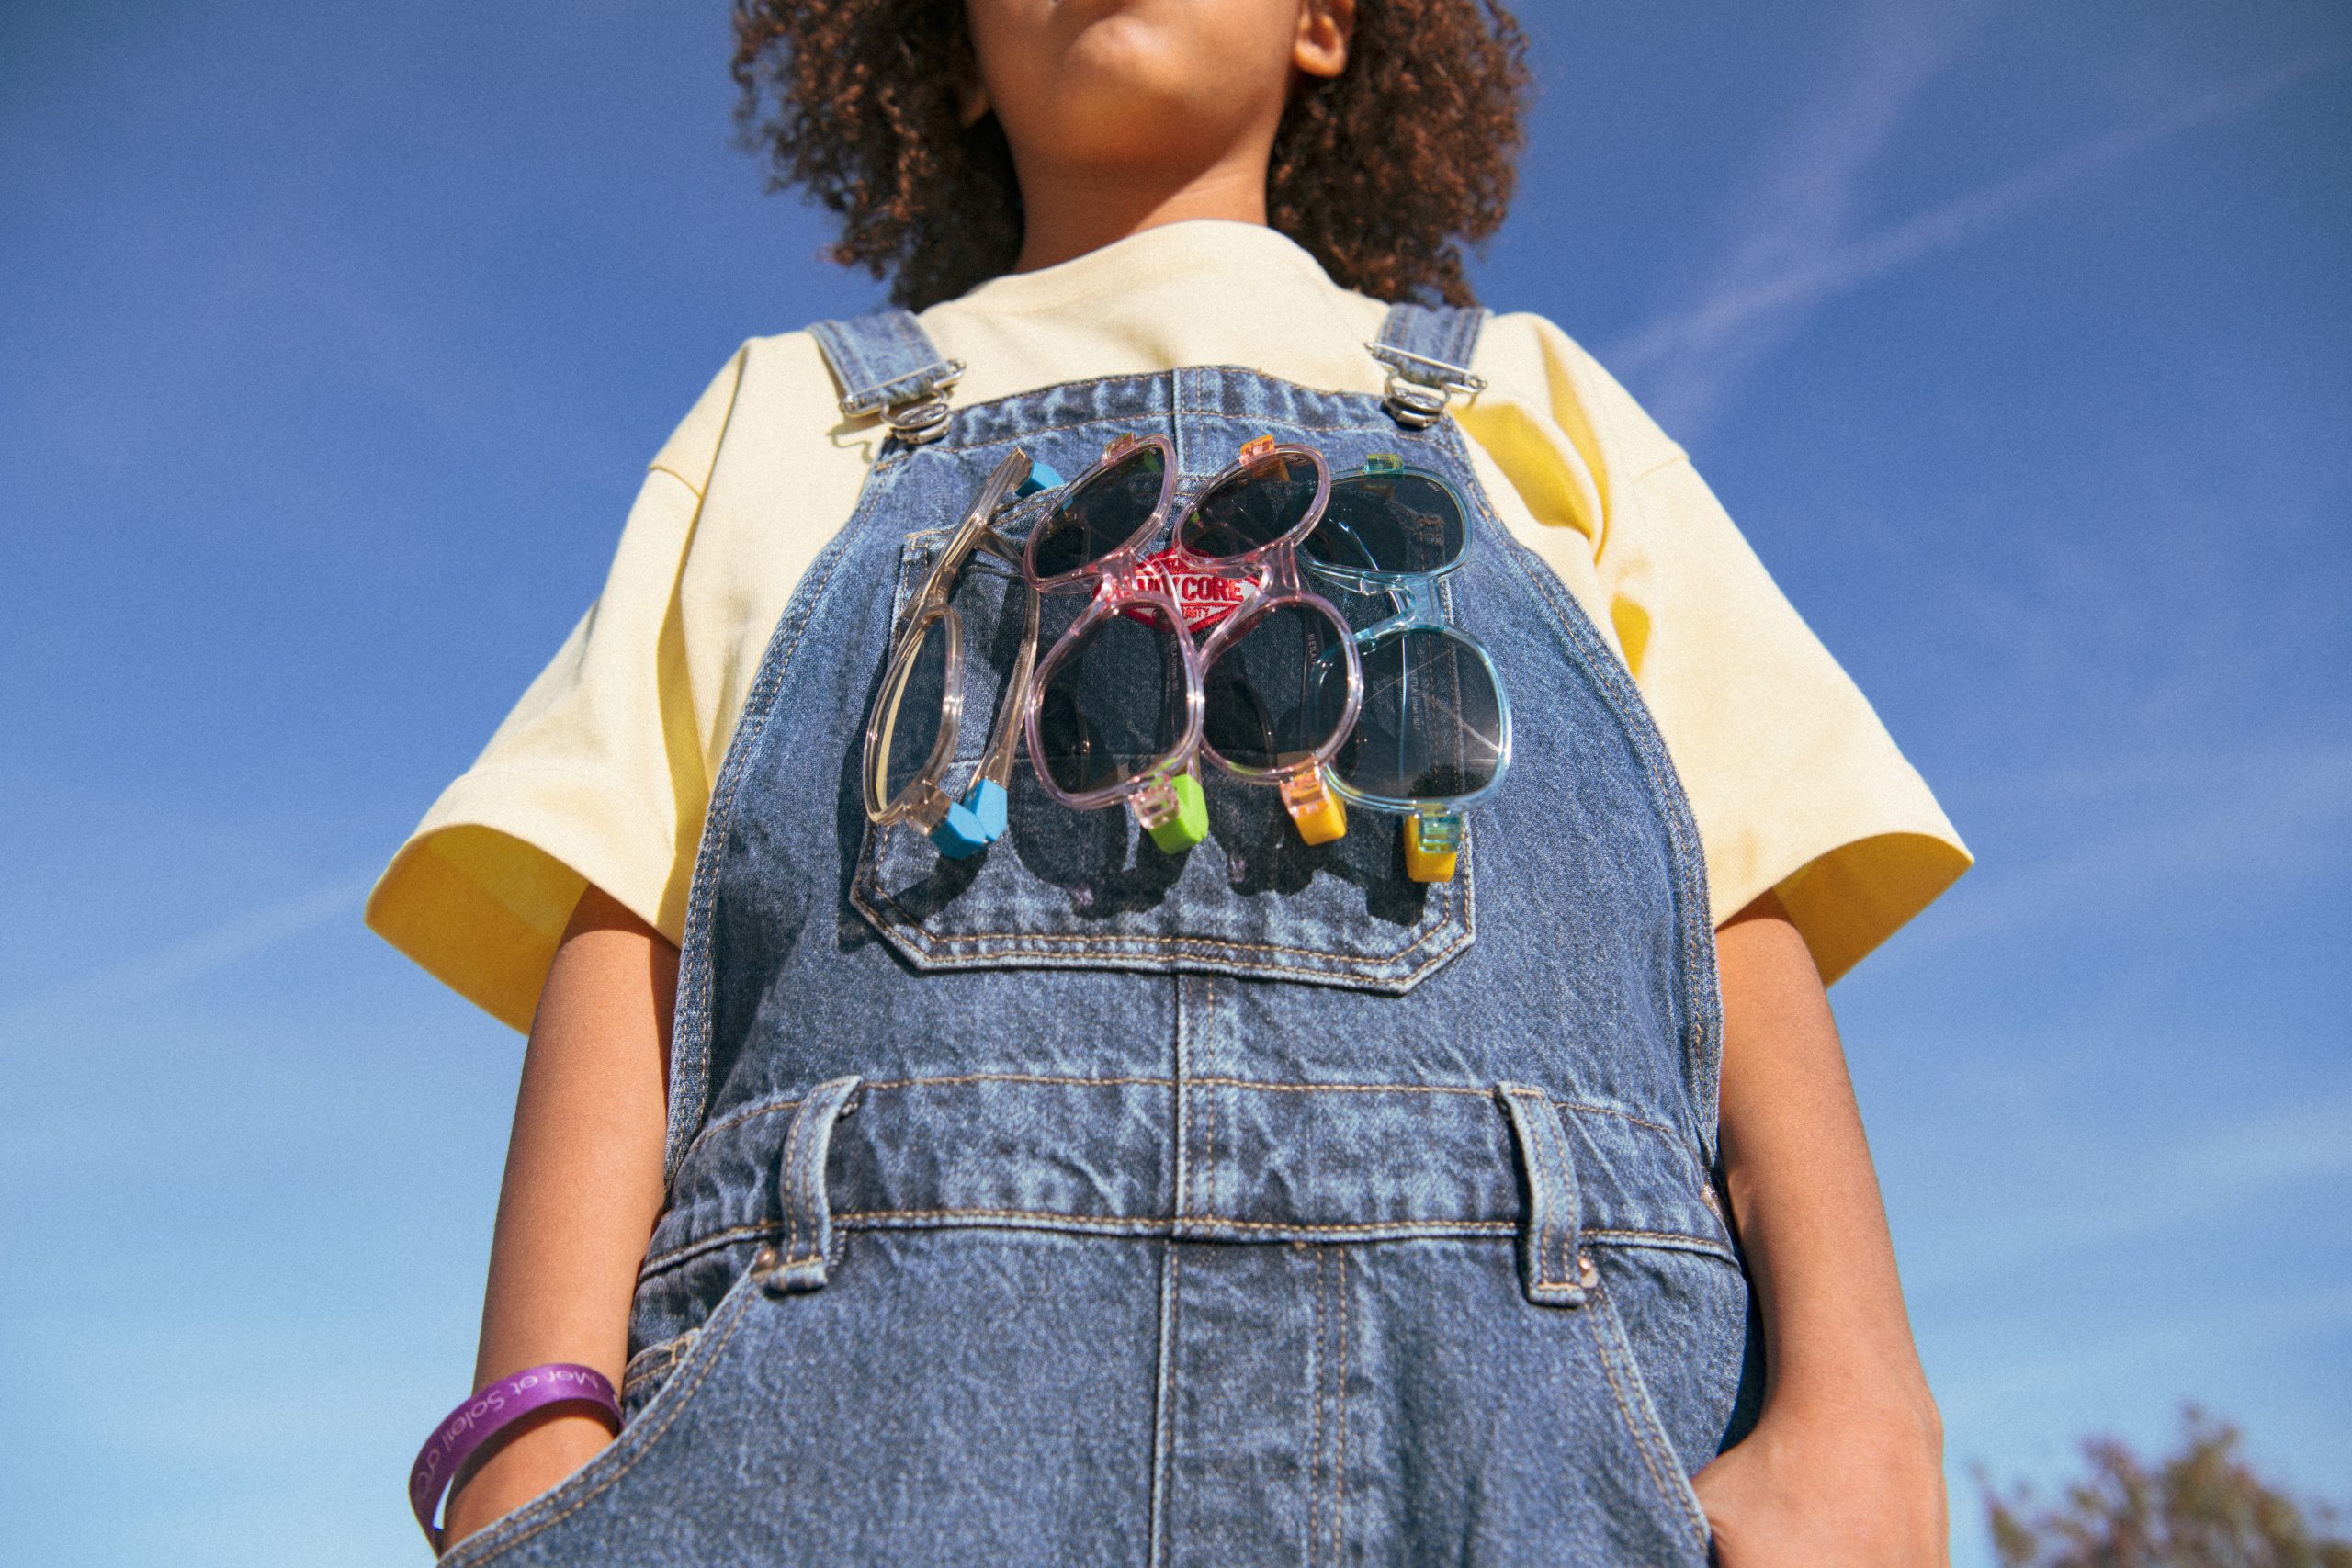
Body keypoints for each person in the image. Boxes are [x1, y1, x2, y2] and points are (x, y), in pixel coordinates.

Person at [368, 1, 1972, 1562]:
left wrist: (1863, 1400)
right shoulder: (790, 413)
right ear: (953, 60)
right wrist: (530, 1431)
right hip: (834, 1427)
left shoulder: (1535, 404)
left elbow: (1734, 893)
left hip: (1517, 1435)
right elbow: (626, 907)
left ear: (1328, 24)